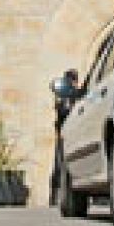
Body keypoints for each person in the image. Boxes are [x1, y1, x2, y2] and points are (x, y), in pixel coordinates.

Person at [48, 68, 80, 205]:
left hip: (74, 133)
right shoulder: (63, 95)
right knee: (59, 164)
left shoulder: (76, 94)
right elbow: (61, 112)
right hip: (64, 134)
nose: (72, 82)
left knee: (64, 163)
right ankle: (54, 197)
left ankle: (61, 195)